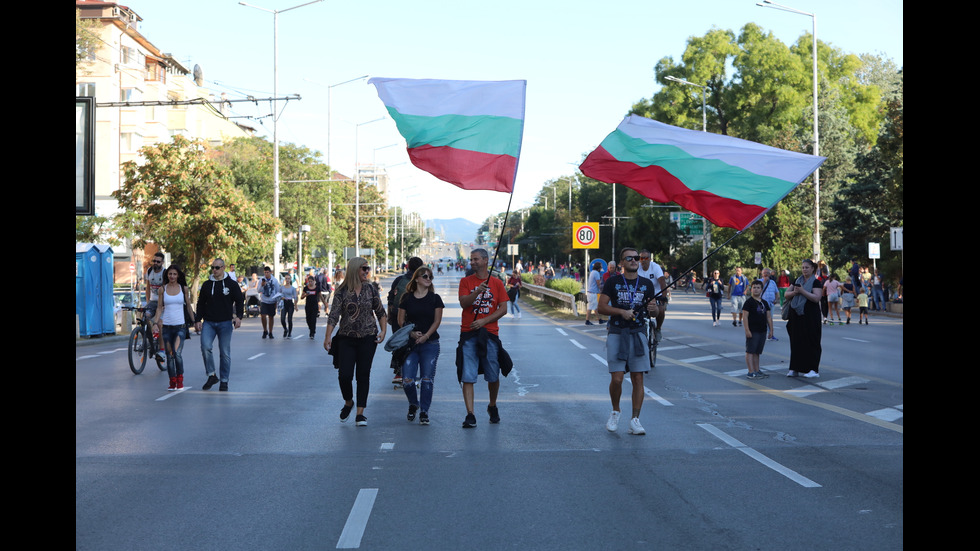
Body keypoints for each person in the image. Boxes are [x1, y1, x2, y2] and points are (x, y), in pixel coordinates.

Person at [598, 247, 660, 435]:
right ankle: (616, 411)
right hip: (617, 332)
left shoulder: (646, 284)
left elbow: (655, 312)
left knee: (638, 377)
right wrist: (621, 312)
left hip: (638, 333)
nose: (634, 260)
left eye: (637, 258)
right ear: (622, 263)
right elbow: (601, 307)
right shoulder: (613, 282)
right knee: (617, 378)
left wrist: (653, 309)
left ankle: (635, 420)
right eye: (630, 258)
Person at [324, 257, 387, 427]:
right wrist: (328, 336)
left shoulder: (371, 289)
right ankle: (348, 401)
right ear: (354, 270)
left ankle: (360, 413)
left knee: (363, 374)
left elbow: (381, 312)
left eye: (368, 269)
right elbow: (334, 315)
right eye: (364, 269)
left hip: (368, 337)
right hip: (346, 338)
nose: (367, 272)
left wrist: (383, 331)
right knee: (344, 375)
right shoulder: (342, 291)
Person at [458, 248, 509, 429]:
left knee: (493, 375)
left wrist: (484, 321)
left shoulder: (497, 283)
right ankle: (470, 414)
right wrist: (477, 292)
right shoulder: (465, 281)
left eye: (476, 259)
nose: (472, 262)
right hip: (469, 333)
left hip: (490, 334)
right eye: (471, 260)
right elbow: (464, 303)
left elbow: (503, 309)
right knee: (468, 375)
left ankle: (492, 405)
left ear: (486, 261)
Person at [398, 266, 444, 425]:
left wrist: (426, 336)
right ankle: (413, 403)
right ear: (416, 279)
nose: (428, 278)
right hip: (411, 345)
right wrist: (410, 333)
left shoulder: (435, 298)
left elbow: (437, 321)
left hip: (430, 344)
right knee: (408, 380)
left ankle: (424, 411)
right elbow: (400, 320)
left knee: (427, 380)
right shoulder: (406, 298)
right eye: (425, 276)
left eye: (430, 276)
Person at [195, 258, 245, 391]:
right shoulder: (206, 285)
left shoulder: (231, 284)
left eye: (217, 267)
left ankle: (224, 380)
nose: (214, 270)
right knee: (205, 347)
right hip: (209, 322)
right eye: (213, 267)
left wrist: (239, 317)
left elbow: (240, 301)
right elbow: (200, 303)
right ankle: (211, 375)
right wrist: (197, 319)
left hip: (225, 323)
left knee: (224, 352)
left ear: (223, 268)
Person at [153, 264, 195, 390]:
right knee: (169, 355)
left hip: (180, 326)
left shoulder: (183, 289)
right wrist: (155, 323)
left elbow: (188, 306)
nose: (172, 276)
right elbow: (159, 308)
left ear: (178, 276)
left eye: (174, 274)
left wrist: (195, 321)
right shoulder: (162, 289)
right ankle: (172, 381)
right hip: (166, 327)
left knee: (176, 353)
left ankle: (180, 379)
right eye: (170, 274)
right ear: (167, 275)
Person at [388, 257, 425, 386]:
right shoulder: (422, 280)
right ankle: (410, 373)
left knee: (399, 343)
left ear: (407, 266)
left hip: (397, 317)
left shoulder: (399, 280)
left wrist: (389, 315)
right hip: (414, 318)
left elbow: (391, 298)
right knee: (414, 345)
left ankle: (399, 372)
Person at [784, 259, 823, 378]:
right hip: (796, 316)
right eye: (803, 267)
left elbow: (816, 298)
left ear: (813, 269)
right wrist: (795, 293)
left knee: (812, 342)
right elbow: (786, 294)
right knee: (796, 342)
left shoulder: (816, 282)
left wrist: (802, 291)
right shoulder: (797, 280)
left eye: (807, 267)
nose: (804, 270)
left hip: (811, 316)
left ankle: (813, 369)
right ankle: (794, 368)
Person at [742, 280, 773, 379]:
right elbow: (745, 317)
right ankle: (750, 372)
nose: (756, 289)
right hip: (753, 330)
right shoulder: (749, 302)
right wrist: (747, 330)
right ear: (751, 289)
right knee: (750, 351)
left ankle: (757, 370)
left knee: (757, 352)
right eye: (754, 287)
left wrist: (771, 330)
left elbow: (768, 317)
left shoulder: (764, 303)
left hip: (762, 330)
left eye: (758, 287)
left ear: (761, 289)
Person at [638, 250, 668, 341]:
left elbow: (662, 282)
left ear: (650, 259)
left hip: (656, 294)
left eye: (646, 258)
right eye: (641, 258)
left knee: (661, 311)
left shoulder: (655, 267)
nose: (643, 260)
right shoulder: (637, 267)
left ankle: (658, 329)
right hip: (641, 294)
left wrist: (663, 297)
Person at [144, 251, 166, 362]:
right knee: (145, 316)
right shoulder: (149, 271)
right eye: (154, 261)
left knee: (160, 324)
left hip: (163, 302)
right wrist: (147, 302)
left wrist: (164, 305)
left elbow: (166, 289)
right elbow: (148, 288)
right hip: (153, 301)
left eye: (158, 261)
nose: (155, 263)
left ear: (162, 262)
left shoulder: (165, 273)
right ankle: (150, 338)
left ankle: (162, 350)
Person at [258, 266, 281, 339]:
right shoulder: (261, 280)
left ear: (270, 272)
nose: (266, 274)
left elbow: (278, 291)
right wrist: (262, 285)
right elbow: (258, 290)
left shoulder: (274, 280)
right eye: (265, 272)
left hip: (272, 300)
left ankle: (270, 332)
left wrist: (277, 301)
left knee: (271, 316)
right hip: (264, 300)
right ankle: (265, 330)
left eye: (267, 272)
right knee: (263, 315)